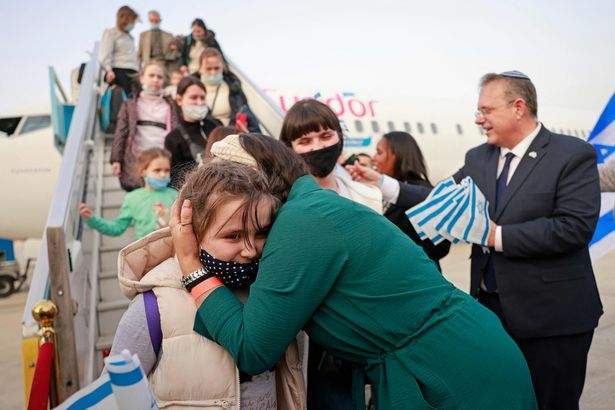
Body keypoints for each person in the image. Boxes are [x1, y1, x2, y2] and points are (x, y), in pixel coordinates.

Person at [170, 133, 537, 410]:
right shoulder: (311, 205)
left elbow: (252, 348)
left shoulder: (301, 222)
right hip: (460, 352)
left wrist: (191, 266)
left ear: (260, 180)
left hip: (455, 370)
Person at [348, 71, 603, 410]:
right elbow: (439, 199)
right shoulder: (478, 157)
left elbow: (573, 227)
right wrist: (382, 182)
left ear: (518, 107)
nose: (478, 119)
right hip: (491, 314)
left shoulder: (571, 155)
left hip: (552, 319)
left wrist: (496, 236)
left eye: (486, 110)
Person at [110, 159, 306, 409]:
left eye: (260, 233)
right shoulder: (155, 306)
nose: (249, 250)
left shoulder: (270, 289)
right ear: (192, 233)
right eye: (232, 236)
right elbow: (118, 392)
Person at [280, 99, 382, 214]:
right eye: (305, 142)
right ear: (289, 148)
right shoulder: (279, 205)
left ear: (340, 137)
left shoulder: (368, 197)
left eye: (326, 136)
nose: (317, 147)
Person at [372, 131, 450, 269]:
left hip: (414, 276)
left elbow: (439, 248)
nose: (374, 158)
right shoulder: (379, 191)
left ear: (397, 156)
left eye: (379, 153)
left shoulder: (420, 194)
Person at [80, 148, 176, 239]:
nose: (163, 175)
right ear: (143, 172)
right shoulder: (132, 198)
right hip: (144, 253)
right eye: (157, 170)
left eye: (167, 170)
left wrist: (166, 215)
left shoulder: (176, 195)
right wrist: (92, 219)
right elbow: (117, 228)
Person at [111, 63, 179, 191]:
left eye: (159, 77)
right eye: (151, 75)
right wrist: (116, 159)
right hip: (137, 159)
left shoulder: (170, 105)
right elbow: (121, 132)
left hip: (162, 160)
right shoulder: (130, 104)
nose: (155, 79)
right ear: (142, 78)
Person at [164, 76, 222, 189]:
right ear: (179, 100)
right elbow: (175, 178)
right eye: (193, 98)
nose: (199, 102)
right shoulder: (173, 138)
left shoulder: (216, 125)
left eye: (202, 98)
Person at [192, 47, 261, 133]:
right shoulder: (191, 89)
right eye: (208, 69)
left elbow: (246, 113)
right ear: (200, 69)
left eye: (216, 68)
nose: (213, 72)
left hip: (233, 134)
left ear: (222, 67)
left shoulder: (234, 87)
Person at [100, 6, 140, 97]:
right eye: (132, 21)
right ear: (124, 19)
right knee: (124, 100)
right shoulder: (111, 33)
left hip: (134, 73)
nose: (133, 24)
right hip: (120, 71)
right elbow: (106, 53)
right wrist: (108, 70)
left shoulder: (130, 37)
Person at [138, 10, 181, 75]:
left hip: (165, 64)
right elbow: (139, 54)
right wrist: (139, 69)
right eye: (152, 20)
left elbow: (174, 53)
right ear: (149, 20)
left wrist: (174, 49)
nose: (154, 22)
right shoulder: (143, 35)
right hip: (148, 64)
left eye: (156, 20)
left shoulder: (169, 35)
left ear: (160, 20)